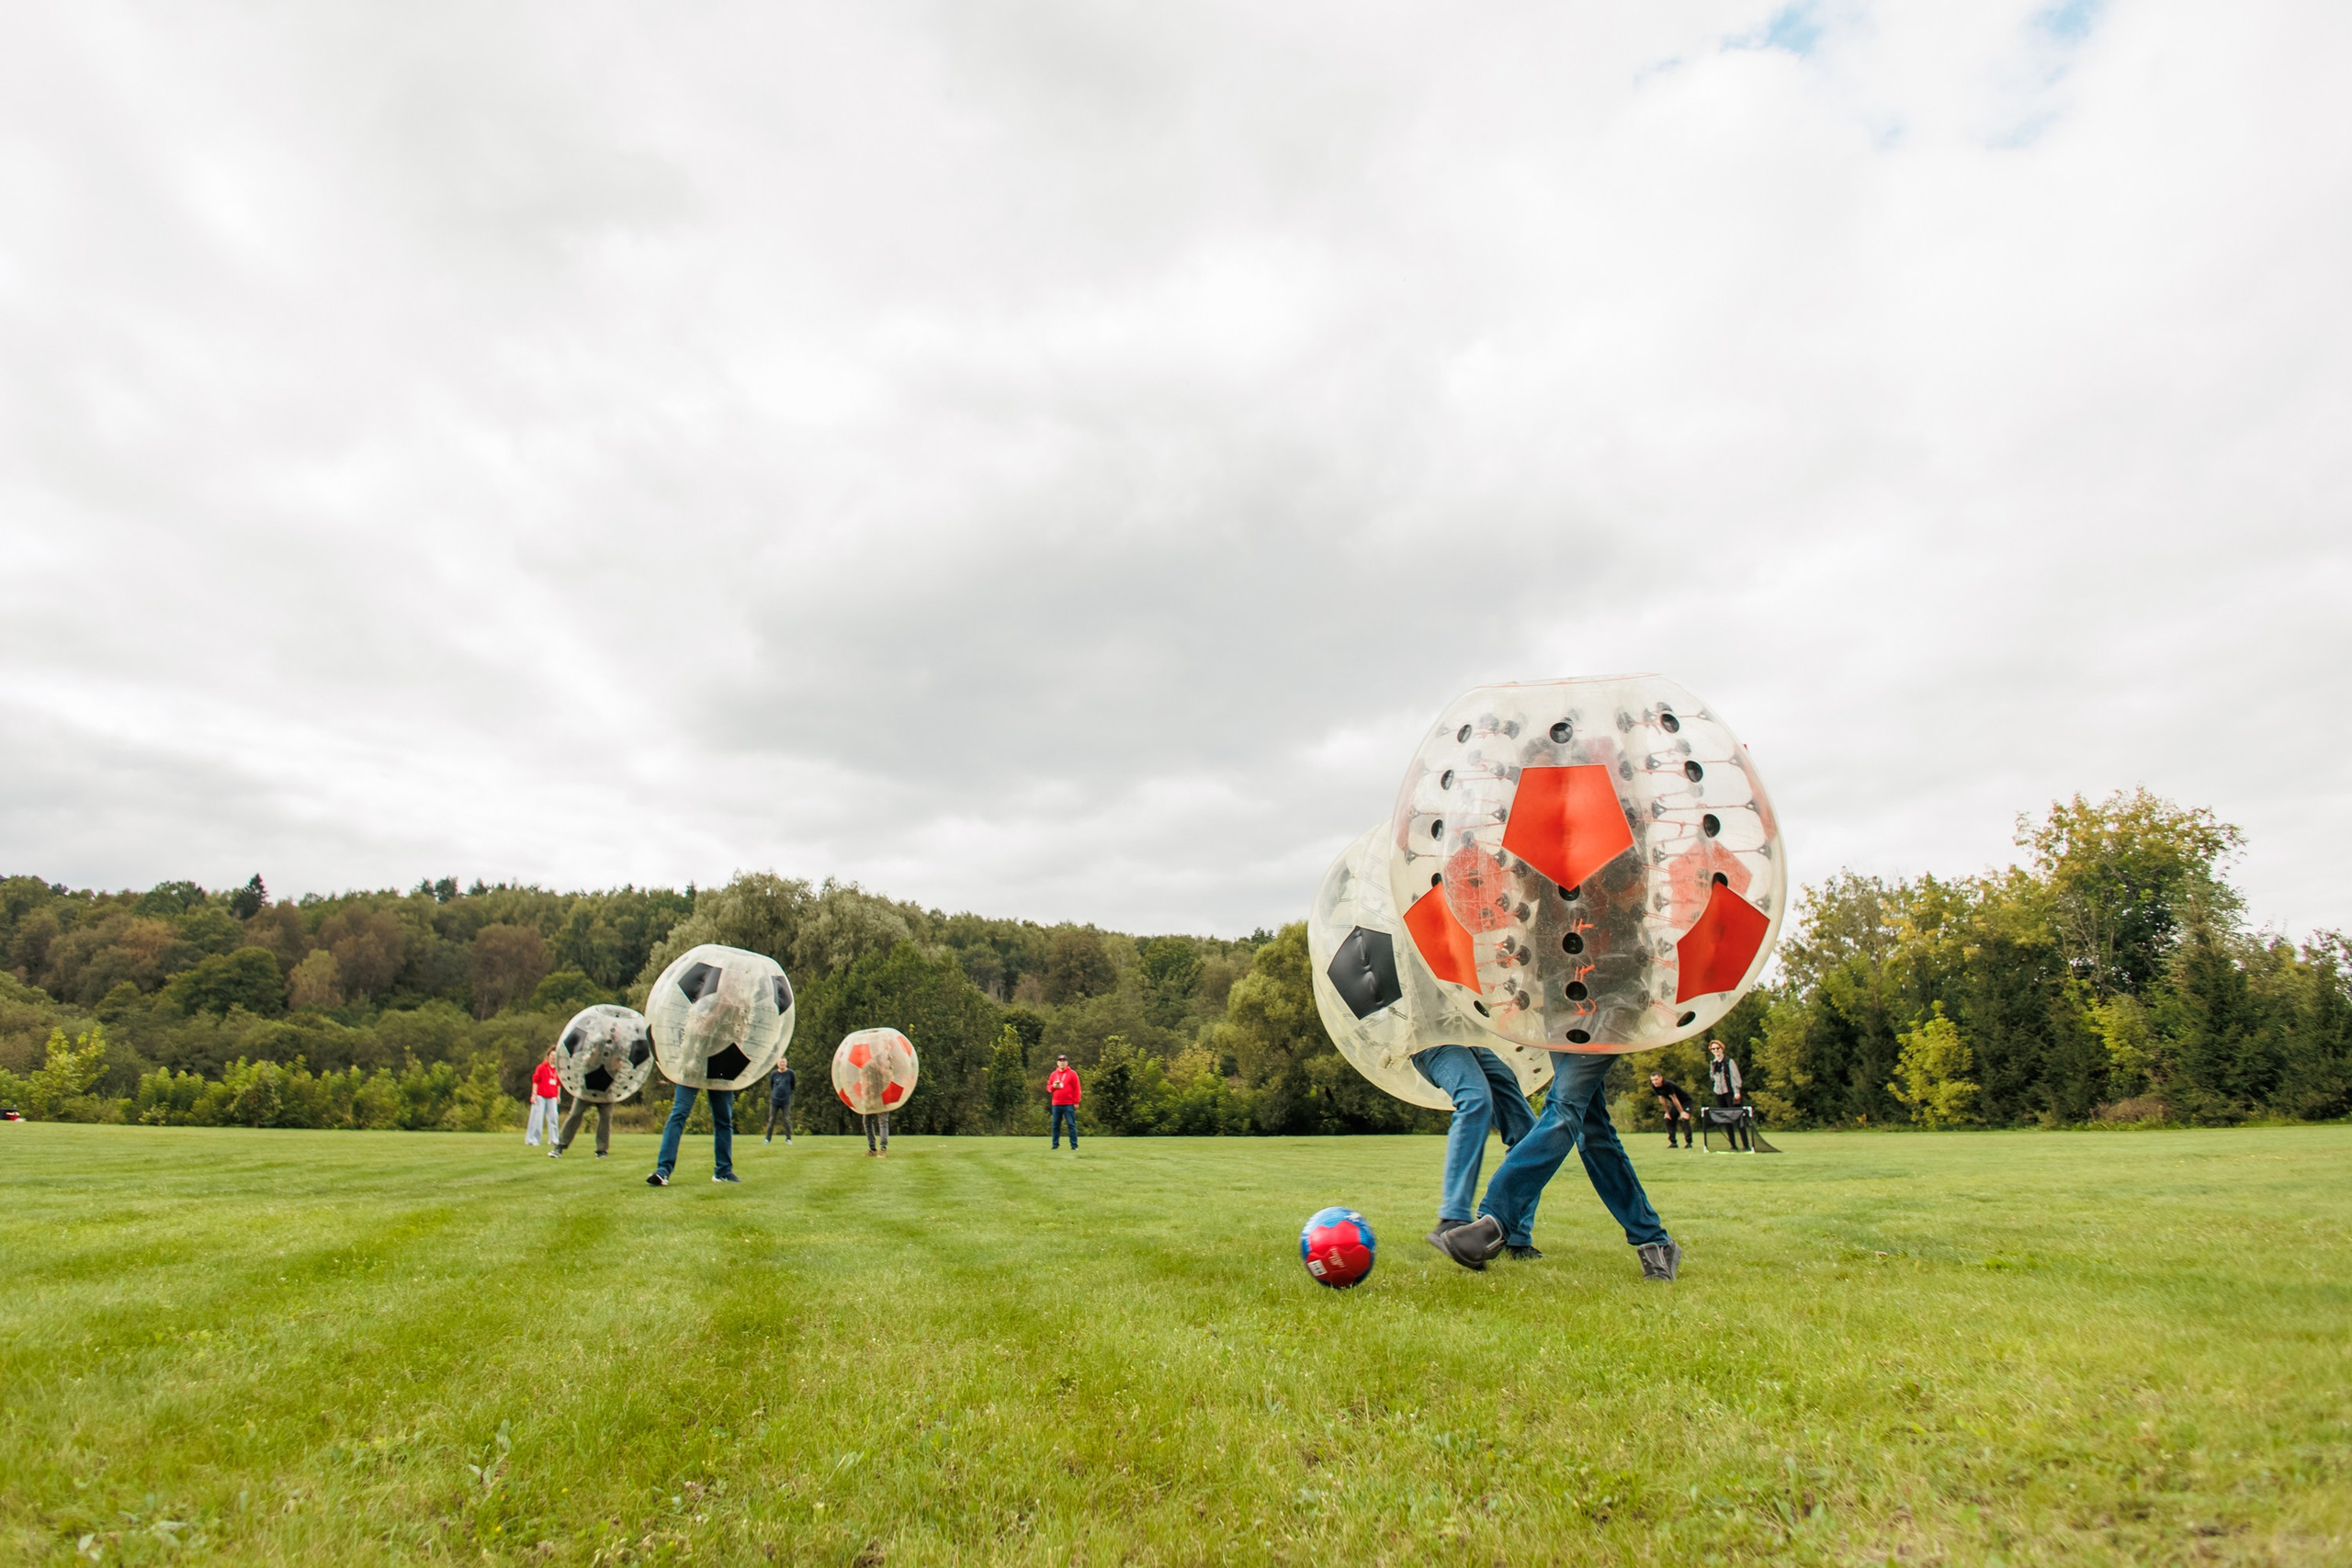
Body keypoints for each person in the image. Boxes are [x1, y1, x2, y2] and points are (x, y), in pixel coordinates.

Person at [1429, 1052, 1680, 1281]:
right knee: (1593, 1133)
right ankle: (1654, 1239)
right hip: (1563, 1022)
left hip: (1608, 1012)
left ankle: (1495, 1221)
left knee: (1564, 1107)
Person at [1414, 1043, 1540, 1259]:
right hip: (1432, 1040)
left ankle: (1515, 1238)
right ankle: (1453, 1219)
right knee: (1474, 1099)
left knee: (1530, 1134)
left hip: (1474, 1042)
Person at [646, 1080, 739, 1185]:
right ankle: (663, 1170)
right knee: (679, 1114)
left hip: (720, 1070)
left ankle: (724, 1172)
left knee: (724, 1119)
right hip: (692, 1069)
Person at [1707, 1038, 1751, 1152]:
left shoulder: (1728, 1061)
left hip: (1730, 1092)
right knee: (1726, 1118)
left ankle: (1745, 1144)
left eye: (1718, 1048)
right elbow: (1712, 1077)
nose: (1716, 1050)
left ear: (1722, 1049)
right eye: (1713, 1049)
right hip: (1719, 1092)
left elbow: (1735, 1076)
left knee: (1738, 1117)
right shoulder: (1713, 1063)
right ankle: (1733, 1144)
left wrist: (1737, 1092)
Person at [1650, 1069, 1695, 1149]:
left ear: (1661, 1078)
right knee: (1668, 1119)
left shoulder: (1667, 1084)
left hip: (1685, 1102)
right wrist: (1667, 1112)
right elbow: (1662, 1099)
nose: (1655, 1082)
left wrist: (1682, 1112)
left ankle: (1688, 1143)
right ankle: (1673, 1143)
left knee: (1685, 1118)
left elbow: (1674, 1098)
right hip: (1675, 1103)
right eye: (1653, 1080)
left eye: (1656, 1079)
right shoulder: (1655, 1086)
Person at [525, 1053, 561, 1147]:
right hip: (541, 1095)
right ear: (548, 1056)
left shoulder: (558, 1069)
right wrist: (534, 1094)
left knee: (553, 1117)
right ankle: (533, 1139)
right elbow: (535, 1081)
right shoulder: (541, 1067)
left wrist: (558, 1096)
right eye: (552, 1055)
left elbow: (558, 1084)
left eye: (555, 1056)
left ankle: (554, 1139)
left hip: (552, 1095)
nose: (553, 1057)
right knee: (537, 1118)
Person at [1046, 1055, 1081, 1150]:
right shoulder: (1053, 1074)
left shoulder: (1072, 1073)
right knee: (1055, 1125)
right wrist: (1054, 1086)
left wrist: (1076, 1101)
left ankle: (1074, 1146)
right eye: (1060, 1060)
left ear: (1067, 1062)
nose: (1062, 1062)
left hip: (1068, 1103)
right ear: (1057, 1063)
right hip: (1056, 1104)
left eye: (1064, 1060)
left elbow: (1077, 1088)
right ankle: (1055, 1145)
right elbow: (1049, 1088)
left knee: (1071, 1124)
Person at [860, 1053, 891, 1156]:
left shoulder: (886, 1063)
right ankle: (872, 1149)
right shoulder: (869, 1065)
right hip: (870, 1097)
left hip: (882, 1098)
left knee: (882, 1122)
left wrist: (878, 1066)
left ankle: (883, 1149)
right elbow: (862, 1071)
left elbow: (888, 1075)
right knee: (867, 1121)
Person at [763, 1059, 796, 1145]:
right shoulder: (774, 1074)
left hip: (786, 1100)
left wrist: (787, 1093)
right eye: (780, 1062)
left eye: (783, 1062)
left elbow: (793, 1085)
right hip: (775, 1100)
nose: (782, 1064)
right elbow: (771, 1085)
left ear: (786, 1063)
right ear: (777, 1063)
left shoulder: (791, 1073)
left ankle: (788, 1139)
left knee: (787, 1119)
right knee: (771, 1119)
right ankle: (767, 1139)